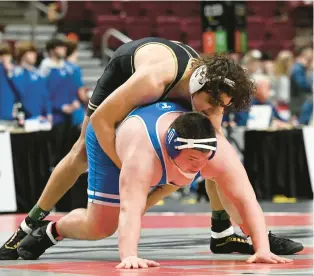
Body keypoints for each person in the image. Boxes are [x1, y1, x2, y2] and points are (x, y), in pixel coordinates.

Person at [0, 38, 301, 260]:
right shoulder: (153, 80)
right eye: (211, 106)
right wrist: (126, 166)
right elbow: (103, 120)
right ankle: (31, 223)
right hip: (128, 66)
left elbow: (214, 161)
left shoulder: (212, 96)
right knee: (81, 152)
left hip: (176, 88)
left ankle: (225, 231)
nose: (214, 111)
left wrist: (259, 239)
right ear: (197, 89)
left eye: (220, 107)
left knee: (208, 153)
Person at [17, 102, 292, 268]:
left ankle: (234, 236)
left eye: (204, 159)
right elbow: (129, 208)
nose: (199, 166)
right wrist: (130, 256)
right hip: (112, 139)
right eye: (193, 159)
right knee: (101, 226)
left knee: (221, 184)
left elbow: (247, 200)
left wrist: (262, 249)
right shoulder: (143, 156)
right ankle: (52, 229)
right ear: (173, 148)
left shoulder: (216, 152)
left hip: (167, 152)